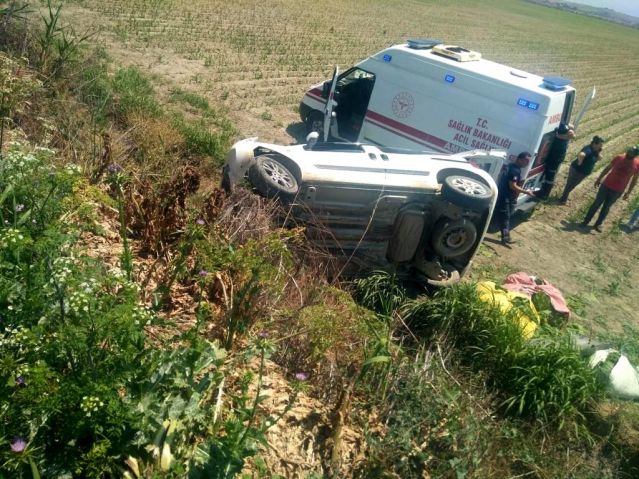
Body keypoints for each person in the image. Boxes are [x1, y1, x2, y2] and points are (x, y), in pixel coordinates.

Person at [581, 146, 639, 232]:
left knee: (607, 207)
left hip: (618, 190)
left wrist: (628, 192)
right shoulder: (619, 157)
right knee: (596, 204)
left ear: (634, 155)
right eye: (628, 153)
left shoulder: (637, 164)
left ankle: (598, 224)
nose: (627, 155)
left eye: (630, 154)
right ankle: (585, 221)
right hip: (606, 185)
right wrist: (599, 179)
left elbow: (634, 180)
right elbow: (608, 168)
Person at [496, 152, 537, 244]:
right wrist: (527, 192)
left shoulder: (509, 165)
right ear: (519, 159)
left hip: (501, 193)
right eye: (525, 161)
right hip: (505, 196)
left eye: (528, 161)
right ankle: (506, 238)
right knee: (505, 217)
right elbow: (513, 186)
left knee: (503, 216)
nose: (527, 163)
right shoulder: (515, 171)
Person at [559, 135, 604, 204]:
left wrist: (599, 153)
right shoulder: (588, 149)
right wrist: (580, 162)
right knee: (570, 184)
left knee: (572, 185)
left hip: (584, 172)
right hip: (577, 170)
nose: (601, 146)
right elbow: (581, 155)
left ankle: (564, 197)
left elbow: (599, 158)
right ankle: (563, 200)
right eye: (600, 145)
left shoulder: (596, 151)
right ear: (595, 144)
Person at [537, 122, 576, 200]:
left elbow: (572, 135)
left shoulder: (561, 138)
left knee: (550, 176)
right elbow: (571, 128)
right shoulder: (563, 135)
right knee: (547, 174)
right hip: (552, 156)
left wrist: (559, 135)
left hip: (555, 158)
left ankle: (544, 194)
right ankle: (541, 190)